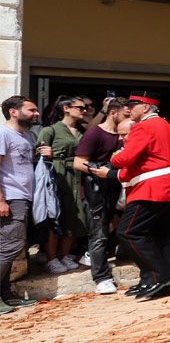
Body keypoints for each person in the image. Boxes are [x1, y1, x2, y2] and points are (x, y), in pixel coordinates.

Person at [105, 91, 170, 300]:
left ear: (146, 108)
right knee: (166, 236)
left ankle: (160, 276)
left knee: (128, 232)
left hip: (152, 189)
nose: (128, 109)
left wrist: (114, 159)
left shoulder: (143, 126)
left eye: (133, 106)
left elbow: (126, 157)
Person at [74, 96, 131, 294]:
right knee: (98, 233)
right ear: (113, 113)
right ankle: (101, 277)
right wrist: (100, 171)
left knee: (121, 227)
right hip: (96, 191)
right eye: (125, 114)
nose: (128, 118)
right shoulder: (94, 134)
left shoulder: (125, 134)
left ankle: (100, 259)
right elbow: (78, 163)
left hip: (119, 190)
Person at [35, 95, 89, 275]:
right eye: (80, 107)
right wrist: (47, 154)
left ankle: (65, 255)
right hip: (57, 175)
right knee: (55, 215)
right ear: (66, 108)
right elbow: (36, 155)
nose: (84, 110)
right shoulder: (50, 130)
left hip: (77, 176)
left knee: (74, 214)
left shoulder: (82, 131)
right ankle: (51, 258)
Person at [0, 96, 42, 313]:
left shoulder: (26, 136)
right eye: (31, 109)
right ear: (14, 112)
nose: (36, 113)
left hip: (23, 197)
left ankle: (6, 295)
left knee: (10, 248)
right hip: (10, 198)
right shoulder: (2, 133)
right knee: (9, 248)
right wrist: (1, 200)